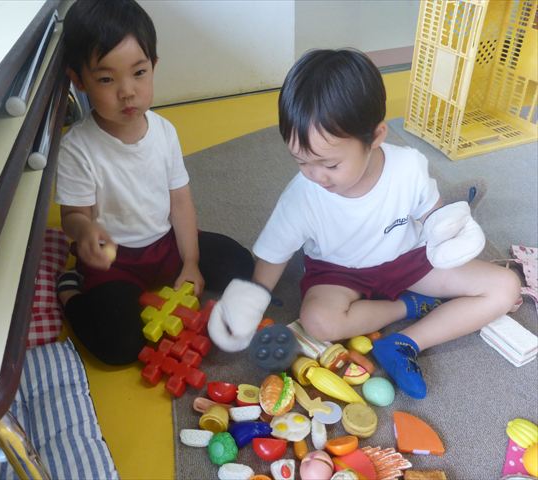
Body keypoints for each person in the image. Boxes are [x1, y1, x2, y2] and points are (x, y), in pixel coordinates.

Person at [208, 49, 521, 399]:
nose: (315, 176)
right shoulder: (302, 197)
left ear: (375, 136)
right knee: (318, 322)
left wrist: (450, 230)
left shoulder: (409, 167)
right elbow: (273, 254)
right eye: (301, 162)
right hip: (338, 272)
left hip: (409, 259)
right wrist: (251, 298)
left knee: (506, 288)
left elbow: (432, 215)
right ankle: (409, 306)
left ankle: (405, 342)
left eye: (330, 164)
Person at [55, 0, 254, 365]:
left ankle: (182, 265)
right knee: (119, 347)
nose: (127, 91)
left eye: (139, 73)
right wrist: (84, 230)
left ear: (153, 66)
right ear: (78, 80)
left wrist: (191, 261)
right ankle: (70, 294)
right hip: (113, 260)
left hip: (165, 246)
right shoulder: (77, 148)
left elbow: (180, 202)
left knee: (240, 265)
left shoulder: (164, 132)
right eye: (106, 79)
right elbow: (73, 216)